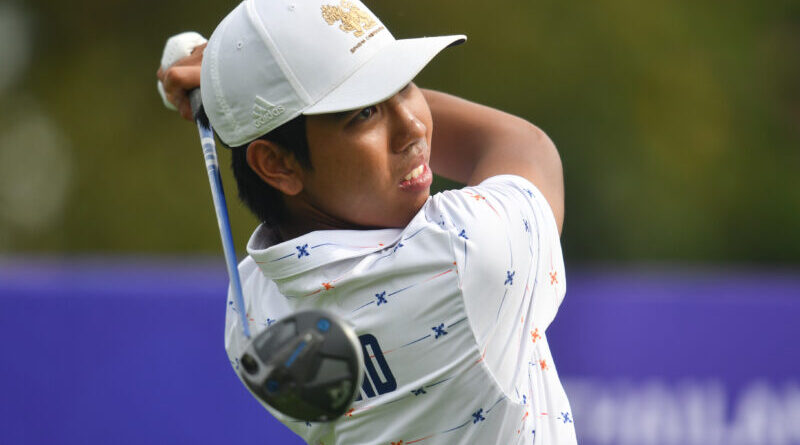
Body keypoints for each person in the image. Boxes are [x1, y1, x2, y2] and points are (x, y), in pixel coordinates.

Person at [158, 0, 576, 443]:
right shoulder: (463, 253)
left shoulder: (249, 318)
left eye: (404, 84)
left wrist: (235, 88)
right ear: (276, 164)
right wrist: (230, 82)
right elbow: (524, 146)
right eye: (364, 112)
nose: (413, 128)